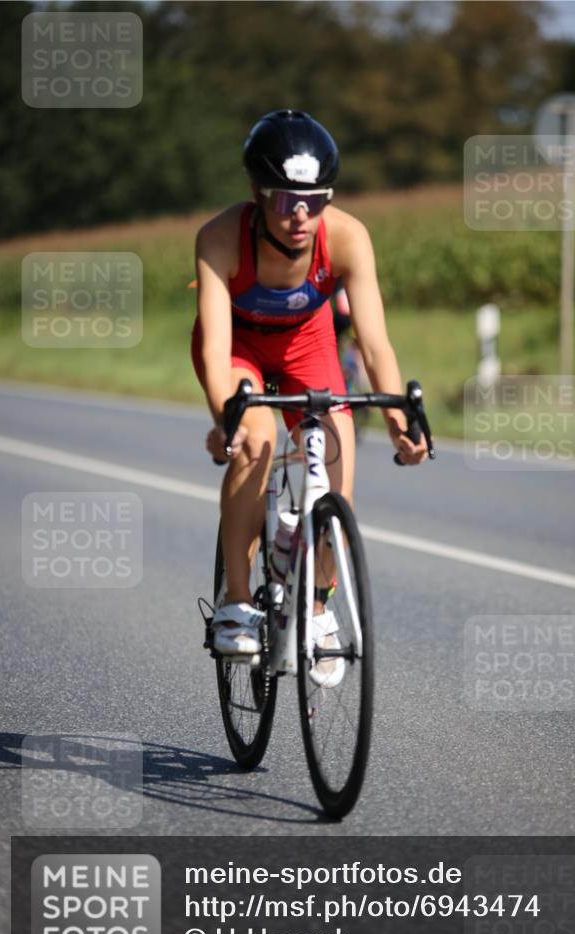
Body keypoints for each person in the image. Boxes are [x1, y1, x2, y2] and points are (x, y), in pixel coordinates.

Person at [191, 109, 427, 660]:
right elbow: (212, 345)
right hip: (238, 346)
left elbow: (373, 345)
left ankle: (317, 610)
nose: (300, 215)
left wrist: (398, 425)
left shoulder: (346, 237)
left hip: (308, 343)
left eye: (315, 200)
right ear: (256, 193)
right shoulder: (220, 238)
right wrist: (225, 419)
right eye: (283, 200)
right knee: (257, 438)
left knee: (338, 461)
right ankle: (238, 604)